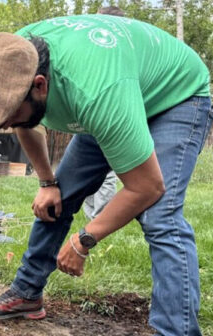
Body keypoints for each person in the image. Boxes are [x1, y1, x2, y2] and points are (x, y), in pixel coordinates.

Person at [0, 15, 213, 336]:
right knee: (60, 193)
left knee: (161, 218)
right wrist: (47, 182)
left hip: (174, 97)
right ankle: (27, 294)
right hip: (116, 89)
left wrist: (84, 240)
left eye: (12, 115)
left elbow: (146, 187)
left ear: (40, 85)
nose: (8, 127)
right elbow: (26, 121)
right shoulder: (13, 56)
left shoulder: (97, 93)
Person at [81, 5, 125, 220]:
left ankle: (102, 219)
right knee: (86, 171)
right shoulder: (92, 47)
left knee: (107, 172)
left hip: (111, 116)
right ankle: (92, 217)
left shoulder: (118, 49)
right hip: (89, 117)